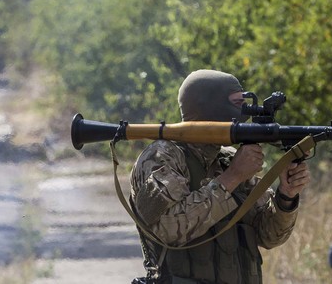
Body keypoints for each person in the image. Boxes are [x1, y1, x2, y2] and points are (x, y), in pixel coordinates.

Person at [128, 69, 311, 283]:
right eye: (237, 103)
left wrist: (286, 196)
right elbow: (168, 229)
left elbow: (268, 236)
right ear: (208, 107)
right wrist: (232, 177)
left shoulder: (227, 159)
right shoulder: (162, 157)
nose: (244, 111)